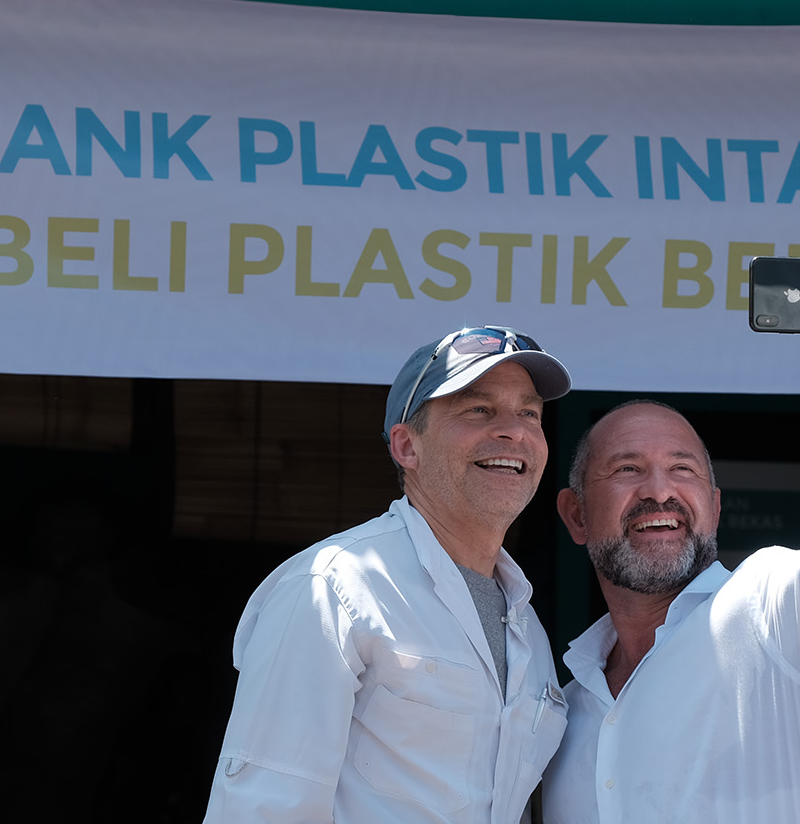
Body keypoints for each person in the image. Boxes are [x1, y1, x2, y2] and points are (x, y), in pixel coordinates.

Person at [541, 242, 800, 824]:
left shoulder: (778, 612)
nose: (658, 491)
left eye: (683, 469)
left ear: (713, 508)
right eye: (627, 469)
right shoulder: (560, 716)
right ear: (576, 515)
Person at [204, 325, 573, 824]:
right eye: (478, 409)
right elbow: (263, 806)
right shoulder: (333, 588)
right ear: (407, 447)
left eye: (529, 412)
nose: (515, 430)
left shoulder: (526, 625)